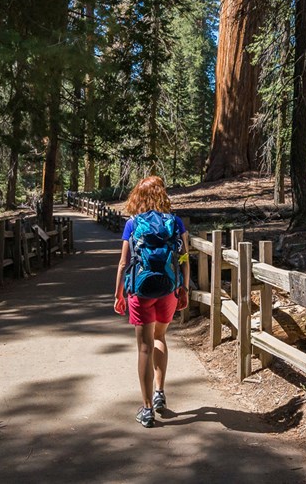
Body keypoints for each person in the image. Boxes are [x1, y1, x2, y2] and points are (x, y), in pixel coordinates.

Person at [114, 175, 189, 428]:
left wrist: (119, 293)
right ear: (162, 195)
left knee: (144, 347)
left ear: (138, 196)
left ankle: (146, 409)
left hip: (141, 291)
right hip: (168, 289)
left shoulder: (133, 224)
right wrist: (184, 288)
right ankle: (159, 392)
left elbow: (124, 263)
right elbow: (184, 258)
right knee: (160, 338)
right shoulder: (175, 222)